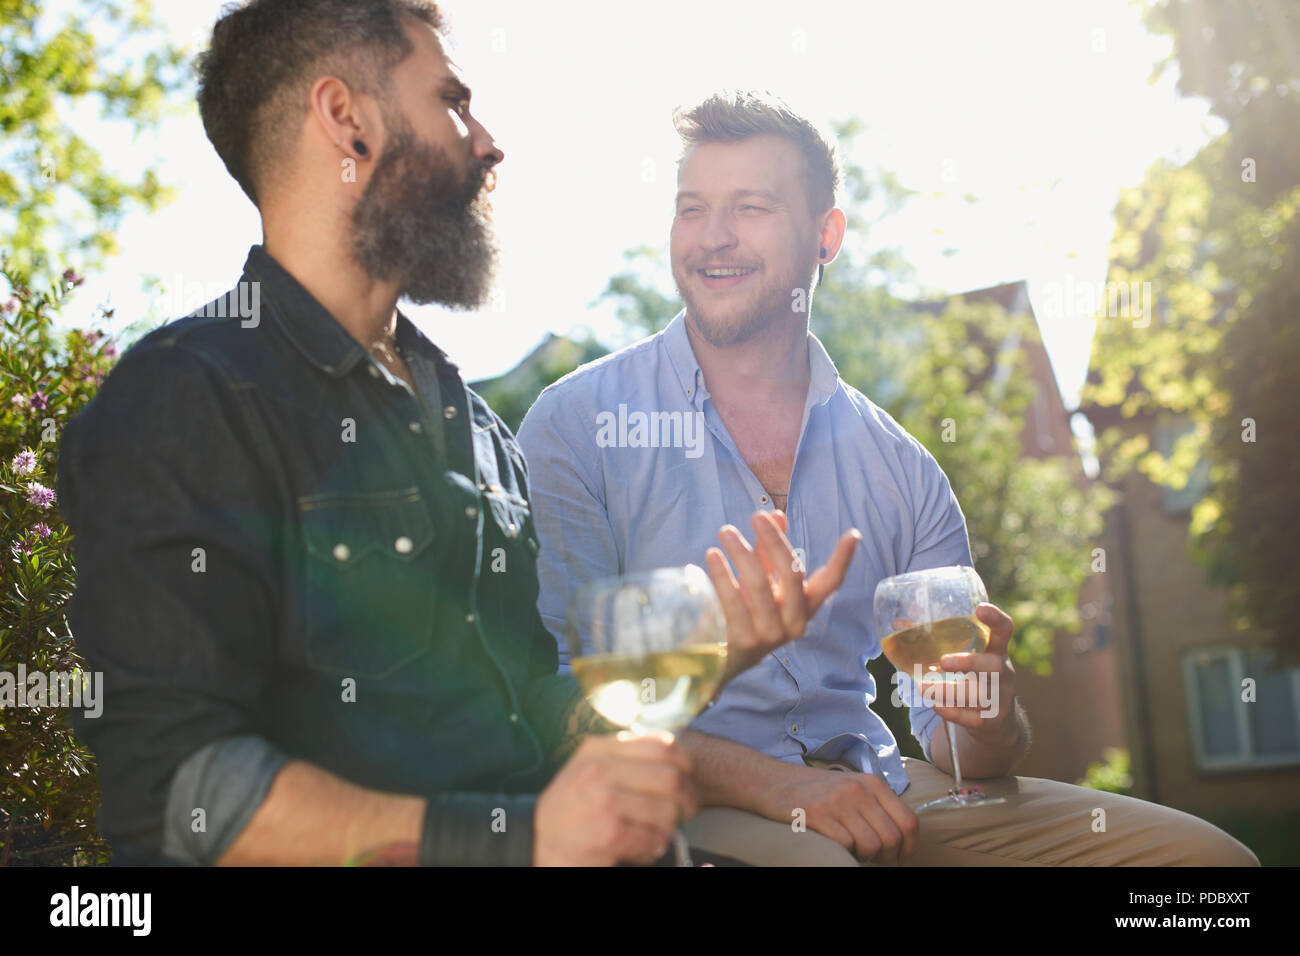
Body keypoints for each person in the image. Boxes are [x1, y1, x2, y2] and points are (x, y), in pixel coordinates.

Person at [57, 3, 859, 867]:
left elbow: (528, 714)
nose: (486, 141)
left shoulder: (471, 420)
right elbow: (182, 794)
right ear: (346, 120)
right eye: (451, 101)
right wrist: (517, 841)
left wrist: (714, 653)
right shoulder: (191, 394)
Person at [516, 90, 1261, 866]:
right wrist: (779, 787)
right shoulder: (576, 427)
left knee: (1208, 871)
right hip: (676, 795)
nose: (713, 238)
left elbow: (962, 748)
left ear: (825, 235)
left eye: (751, 207)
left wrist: (986, 715)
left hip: (882, 789)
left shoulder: (900, 466)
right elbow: (559, 709)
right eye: (692, 207)